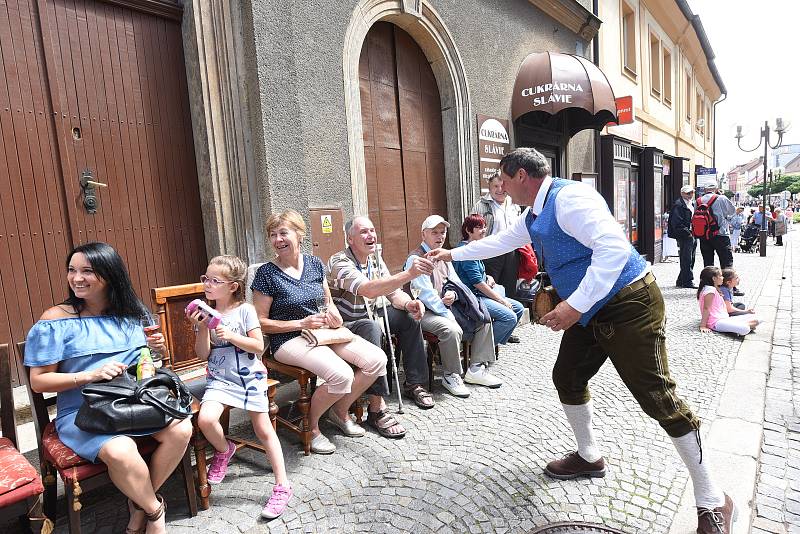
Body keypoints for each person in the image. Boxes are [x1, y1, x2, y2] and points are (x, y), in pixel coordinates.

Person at [427, 147, 737, 534]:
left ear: (521, 176)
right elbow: (502, 241)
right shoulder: (535, 211)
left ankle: (713, 500)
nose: (500, 189)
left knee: (657, 396)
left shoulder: (570, 198)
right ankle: (589, 457)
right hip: (593, 310)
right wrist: (452, 253)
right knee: (568, 377)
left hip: (629, 304)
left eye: (504, 181)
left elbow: (613, 249)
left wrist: (573, 307)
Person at [24, 242, 193, 534]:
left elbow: (146, 365)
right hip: (83, 412)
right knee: (121, 450)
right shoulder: (56, 320)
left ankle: (138, 504)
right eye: (72, 270)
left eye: (87, 271)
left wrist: (154, 351)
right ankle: (154, 512)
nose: (77, 278)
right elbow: (39, 383)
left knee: (181, 429)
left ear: (110, 274)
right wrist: (91, 375)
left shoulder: (132, 313)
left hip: (133, 402)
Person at [251, 210, 387, 455]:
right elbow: (260, 323)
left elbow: (327, 301)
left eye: (284, 233)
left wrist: (333, 314)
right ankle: (310, 427)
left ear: (299, 234)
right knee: (342, 375)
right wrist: (301, 323)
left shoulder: (314, 264)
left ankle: (339, 411)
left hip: (322, 331)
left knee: (377, 360)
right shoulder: (266, 274)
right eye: (273, 235)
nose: (278, 239)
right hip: (288, 338)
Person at [188, 255, 291, 519]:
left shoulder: (244, 311)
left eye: (214, 280)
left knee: (263, 429)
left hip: (248, 378)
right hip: (219, 380)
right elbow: (202, 355)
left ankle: (282, 485)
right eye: (205, 278)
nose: (207, 284)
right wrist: (201, 330)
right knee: (207, 420)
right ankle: (225, 450)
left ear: (233, 286)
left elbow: (258, 347)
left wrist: (232, 336)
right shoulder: (206, 313)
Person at [327, 216, 435, 434]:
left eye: (373, 231)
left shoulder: (375, 258)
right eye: (364, 232)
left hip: (372, 313)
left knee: (408, 318)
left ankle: (414, 383)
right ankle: (377, 408)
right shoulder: (340, 262)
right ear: (350, 239)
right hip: (348, 323)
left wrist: (409, 303)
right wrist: (409, 273)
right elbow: (368, 289)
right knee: (372, 327)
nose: (371, 236)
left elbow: (393, 293)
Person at [405, 215, 501, 398]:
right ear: (423, 234)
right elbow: (425, 294)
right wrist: (448, 313)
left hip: (445, 307)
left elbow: (457, 284)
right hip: (423, 311)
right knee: (451, 329)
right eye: (434, 232)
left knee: (483, 317)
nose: (440, 236)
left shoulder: (444, 255)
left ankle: (477, 368)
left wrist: (454, 294)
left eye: (443, 232)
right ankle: (451, 375)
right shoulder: (416, 259)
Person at [453, 214, 524, 346]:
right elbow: (477, 283)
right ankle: (479, 351)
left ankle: (491, 346)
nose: (484, 230)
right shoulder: (466, 251)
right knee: (509, 317)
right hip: (472, 298)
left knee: (518, 308)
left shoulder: (474, 247)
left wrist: (488, 277)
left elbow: (479, 275)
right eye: (479, 227)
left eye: (484, 226)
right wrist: (501, 300)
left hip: (481, 294)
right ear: (468, 230)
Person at [470, 172, 523, 317]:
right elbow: (472, 230)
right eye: (495, 186)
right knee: (491, 288)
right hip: (490, 252)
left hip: (511, 252)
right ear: (489, 187)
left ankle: (510, 322)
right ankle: (494, 323)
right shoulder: (481, 205)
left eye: (502, 185)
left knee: (509, 288)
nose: (499, 189)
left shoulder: (513, 203)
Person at [698, 267, 759, 336]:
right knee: (745, 329)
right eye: (720, 276)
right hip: (715, 322)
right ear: (714, 279)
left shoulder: (713, 288)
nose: (723, 278)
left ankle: (735, 327)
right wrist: (703, 326)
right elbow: (706, 308)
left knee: (758, 318)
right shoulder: (710, 290)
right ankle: (739, 327)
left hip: (724, 318)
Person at [668, 185, 698, 288]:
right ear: (682, 193)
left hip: (691, 234)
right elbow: (676, 223)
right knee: (687, 259)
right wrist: (688, 233)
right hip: (685, 235)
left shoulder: (691, 204)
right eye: (688, 193)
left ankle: (681, 280)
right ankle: (687, 281)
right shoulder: (679, 205)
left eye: (692, 193)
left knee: (690, 258)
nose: (690, 195)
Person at [697, 187, 735, 269]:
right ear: (716, 189)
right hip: (721, 233)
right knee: (726, 262)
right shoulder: (722, 198)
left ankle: (708, 281)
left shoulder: (699, 200)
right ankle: (726, 281)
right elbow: (732, 211)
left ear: (705, 189)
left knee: (708, 263)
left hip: (705, 235)